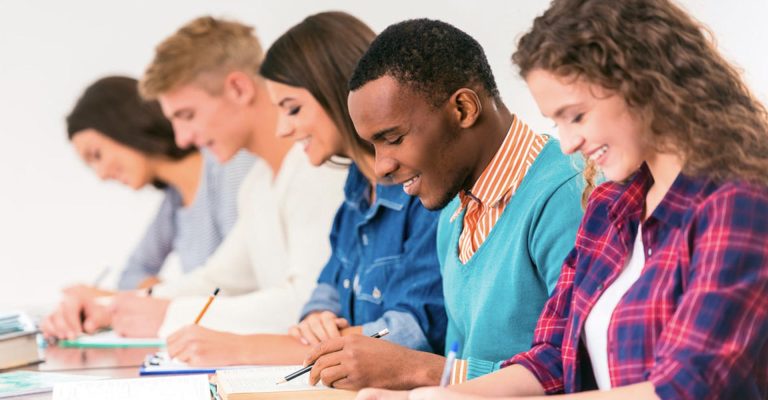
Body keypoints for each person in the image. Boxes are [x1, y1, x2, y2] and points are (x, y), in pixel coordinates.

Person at [358, 0, 768, 399]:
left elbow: (686, 388)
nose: (568, 141)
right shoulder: (611, 206)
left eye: (577, 115)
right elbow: (554, 358)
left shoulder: (737, 203)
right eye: (557, 121)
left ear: (644, 84)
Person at [303, 18, 585, 390]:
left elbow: (582, 372)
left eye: (394, 138)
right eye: (374, 145)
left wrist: (419, 370)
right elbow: (460, 365)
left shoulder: (568, 194)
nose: (381, 166)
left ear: (464, 109)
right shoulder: (453, 216)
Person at [40, 17, 347, 350]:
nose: (183, 139)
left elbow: (307, 303)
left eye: (187, 115)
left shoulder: (317, 168)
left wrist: (169, 315)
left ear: (238, 89)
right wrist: (108, 309)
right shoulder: (257, 185)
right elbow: (216, 281)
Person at [162, 11, 447, 367]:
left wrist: (246, 349)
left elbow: (410, 331)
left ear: (340, 91)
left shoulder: (425, 191)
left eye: (293, 109)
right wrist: (317, 318)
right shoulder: (356, 188)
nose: (283, 129)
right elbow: (326, 287)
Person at [40, 76, 254, 339]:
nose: (101, 174)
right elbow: (133, 274)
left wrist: (113, 300)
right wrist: (137, 299)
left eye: (97, 155)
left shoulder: (230, 169)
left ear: (123, 125)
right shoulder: (174, 203)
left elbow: (238, 283)